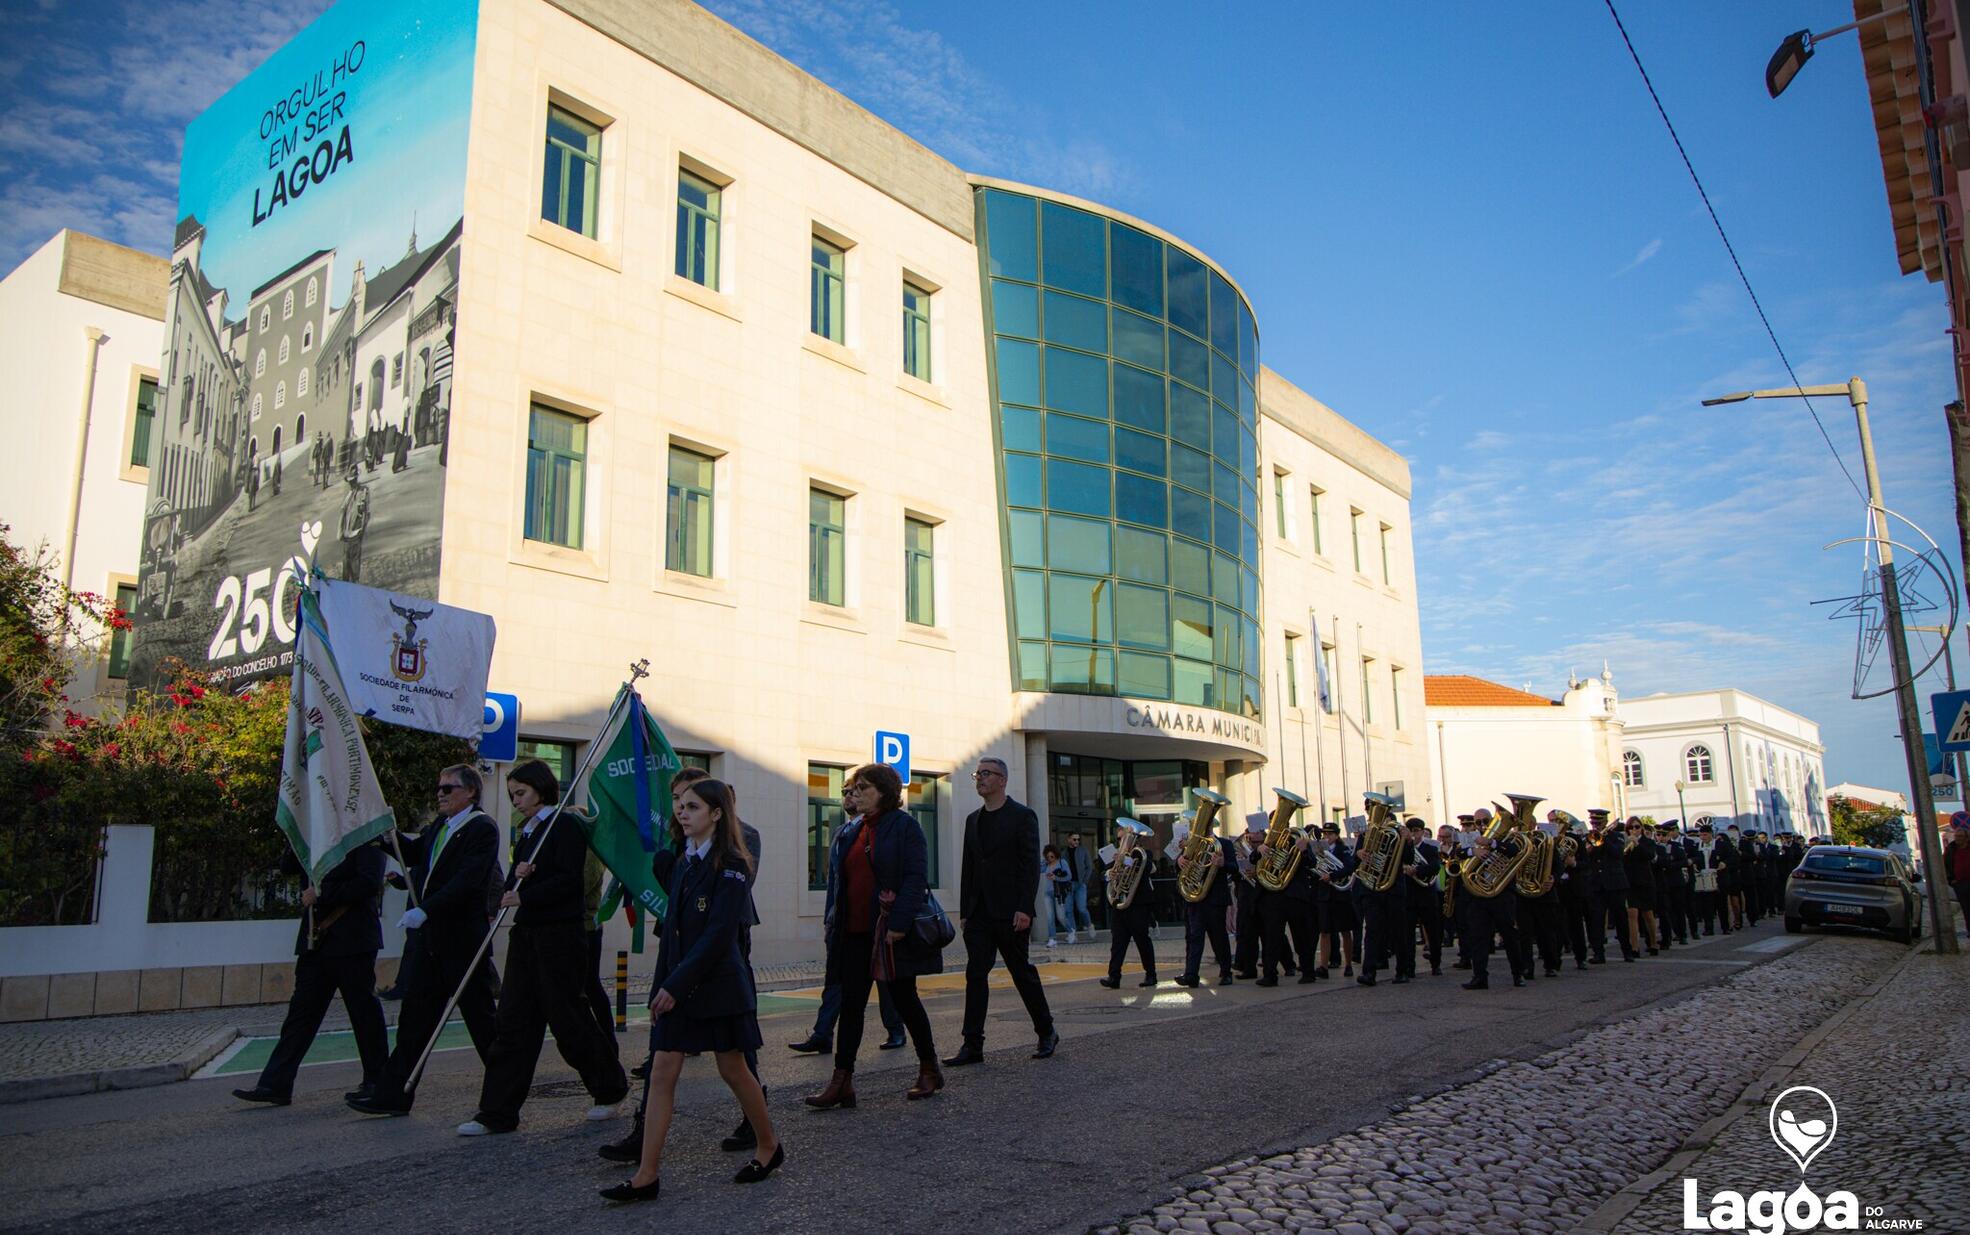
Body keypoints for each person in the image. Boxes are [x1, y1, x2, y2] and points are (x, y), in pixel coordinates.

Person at [600, 779, 783, 1204]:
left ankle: (769, 1145)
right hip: (680, 983)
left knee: (734, 1070)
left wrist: (676, 985)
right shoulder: (683, 861)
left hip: (718, 985)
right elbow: (674, 934)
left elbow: (719, 934)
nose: (682, 813)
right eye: (679, 806)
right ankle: (647, 1175)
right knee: (663, 1072)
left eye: (693, 806)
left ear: (717, 814)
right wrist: (663, 985)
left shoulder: (734, 863)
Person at [458, 760, 629, 1136]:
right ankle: (497, 1112)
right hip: (527, 935)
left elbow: (569, 882)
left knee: (568, 1016)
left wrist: (527, 894)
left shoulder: (565, 825)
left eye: (521, 793)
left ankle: (609, 1088)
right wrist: (518, 879)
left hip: (560, 935)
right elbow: (520, 879)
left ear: (541, 788)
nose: (516, 801)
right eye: (512, 795)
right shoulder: (527, 831)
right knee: (514, 1021)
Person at [350, 766, 501, 1116]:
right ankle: (393, 1094)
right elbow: (416, 854)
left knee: (482, 1022)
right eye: (439, 787)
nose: (441, 793)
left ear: (471, 793)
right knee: (414, 1020)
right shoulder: (440, 827)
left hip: (462, 941)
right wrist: (385, 832)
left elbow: (467, 881)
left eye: (450, 787)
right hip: (432, 942)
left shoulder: (481, 828)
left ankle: (501, 1097)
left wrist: (427, 909)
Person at [805, 763, 946, 1108]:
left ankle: (929, 1068)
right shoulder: (853, 832)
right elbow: (842, 884)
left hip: (888, 934)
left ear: (884, 792)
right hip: (853, 933)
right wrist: (833, 923)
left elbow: (915, 879)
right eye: (853, 788)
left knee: (904, 1001)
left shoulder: (905, 828)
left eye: (863, 787)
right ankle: (842, 1080)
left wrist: (898, 924)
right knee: (851, 1005)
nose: (855, 793)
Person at [232, 841, 390, 1107]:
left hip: (353, 940)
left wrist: (322, 893)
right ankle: (275, 1083)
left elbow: (369, 882)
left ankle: (378, 1081)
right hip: (315, 942)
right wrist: (298, 834)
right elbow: (287, 867)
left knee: (364, 1015)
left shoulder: (362, 834)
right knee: (300, 1015)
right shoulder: (315, 833)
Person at [946, 757, 1058, 1065]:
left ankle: (1046, 1030)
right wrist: (965, 910)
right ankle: (972, 1044)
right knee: (975, 974)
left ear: (1002, 780)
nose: (979, 778)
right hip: (979, 912)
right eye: (977, 773)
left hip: (1011, 912)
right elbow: (969, 867)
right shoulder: (973, 820)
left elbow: (1028, 866)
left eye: (986, 773)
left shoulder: (1023, 817)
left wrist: (1025, 908)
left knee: (1021, 972)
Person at [785, 805, 907, 1057]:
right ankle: (823, 1035)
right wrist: (831, 915)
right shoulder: (842, 832)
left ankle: (897, 1030)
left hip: (877, 921)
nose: (849, 796)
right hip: (845, 923)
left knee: (886, 983)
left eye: (856, 790)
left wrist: (896, 921)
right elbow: (835, 881)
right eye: (847, 792)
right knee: (838, 983)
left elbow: (905, 875)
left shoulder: (888, 829)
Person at [1174, 816, 1238, 988]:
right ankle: (1191, 975)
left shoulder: (1224, 844)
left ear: (1210, 826)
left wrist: (1223, 863)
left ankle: (1226, 972)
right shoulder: (1192, 845)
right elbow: (1180, 865)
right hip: (1195, 899)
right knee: (1195, 937)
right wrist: (1179, 860)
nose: (1200, 828)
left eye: (1203, 825)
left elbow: (1235, 868)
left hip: (1215, 899)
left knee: (1219, 938)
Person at [1097, 820, 1159, 990]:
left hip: (1138, 903)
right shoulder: (1116, 855)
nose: (1121, 842)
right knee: (1118, 942)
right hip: (1120, 902)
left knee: (1142, 940)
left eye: (1124, 838)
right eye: (1119, 839)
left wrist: (1126, 861)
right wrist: (1110, 873)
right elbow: (1103, 873)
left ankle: (1151, 974)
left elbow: (1147, 868)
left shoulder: (1142, 853)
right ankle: (1113, 976)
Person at [1461, 831, 1526, 991]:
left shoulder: (1506, 840)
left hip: (1501, 894)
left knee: (1509, 935)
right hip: (1478, 895)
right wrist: (1473, 851)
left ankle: (1518, 974)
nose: (1481, 825)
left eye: (1484, 821)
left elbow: (1514, 851)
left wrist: (1492, 843)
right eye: (1478, 822)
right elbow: (1458, 853)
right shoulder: (1471, 838)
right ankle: (1479, 977)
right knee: (1478, 937)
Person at [1253, 824, 1315, 987]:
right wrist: (1259, 849)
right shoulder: (1269, 841)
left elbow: (1312, 863)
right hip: (1273, 896)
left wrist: (1304, 850)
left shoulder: (1298, 839)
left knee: (1301, 936)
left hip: (1295, 896)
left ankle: (1308, 972)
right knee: (1272, 938)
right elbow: (1253, 859)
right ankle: (1270, 975)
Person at [1314, 821, 1356, 978]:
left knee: (1345, 930)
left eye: (1330, 834)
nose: (1327, 837)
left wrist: (1331, 875)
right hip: (1325, 894)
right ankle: (1323, 966)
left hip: (1340, 895)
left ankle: (1349, 964)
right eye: (1325, 834)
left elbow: (1349, 867)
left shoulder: (1343, 849)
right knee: (1324, 932)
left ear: (1337, 835)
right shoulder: (1319, 850)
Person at [1403, 819, 1444, 977]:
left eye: (1417, 831)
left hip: (1427, 894)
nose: (1414, 834)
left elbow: (1435, 867)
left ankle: (1436, 964)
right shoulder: (1404, 848)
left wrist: (1417, 870)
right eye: (1410, 831)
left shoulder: (1430, 848)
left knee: (1433, 932)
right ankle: (1409, 967)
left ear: (1422, 831)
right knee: (1408, 934)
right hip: (1409, 895)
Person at [1230, 822, 1265, 978]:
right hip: (1246, 895)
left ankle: (1287, 964)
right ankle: (1249, 968)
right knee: (1247, 934)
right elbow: (1235, 874)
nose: (1251, 842)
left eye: (1255, 841)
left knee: (1268, 934)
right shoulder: (1242, 851)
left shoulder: (1267, 850)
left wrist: (1256, 872)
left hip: (1263, 895)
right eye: (1250, 839)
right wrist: (1241, 870)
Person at [339, 467, 370, 584]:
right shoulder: (349, 494)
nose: (351, 483)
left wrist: (362, 529)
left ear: (356, 479)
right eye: (349, 482)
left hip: (356, 532)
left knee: (354, 560)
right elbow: (344, 512)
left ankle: (355, 583)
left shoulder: (363, 492)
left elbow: (365, 513)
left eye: (352, 481)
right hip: (347, 532)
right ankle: (347, 583)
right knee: (346, 562)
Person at [1043, 845, 1076, 946]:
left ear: (1056, 855)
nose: (1050, 859)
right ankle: (1052, 938)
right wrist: (1043, 863)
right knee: (1049, 917)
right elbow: (1037, 869)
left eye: (1052, 857)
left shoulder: (1062, 862)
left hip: (1059, 893)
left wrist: (1056, 877)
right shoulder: (1046, 864)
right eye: (1048, 857)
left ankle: (1071, 931)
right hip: (1047, 893)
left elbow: (1069, 876)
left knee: (1061, 916)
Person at [1064, 832, 1094, 934]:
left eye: (1078, 839)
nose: (1077, 841)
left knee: (1081, 908)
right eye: (1074, 839)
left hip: (1080, 884)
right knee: (1068, 910)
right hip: (1068, 885)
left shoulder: (1083, 850)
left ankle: (1089, 925)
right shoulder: (1064, 853)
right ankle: (1072, 932)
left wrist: (1085, 881)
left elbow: (1089, 866)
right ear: (1068, 840)